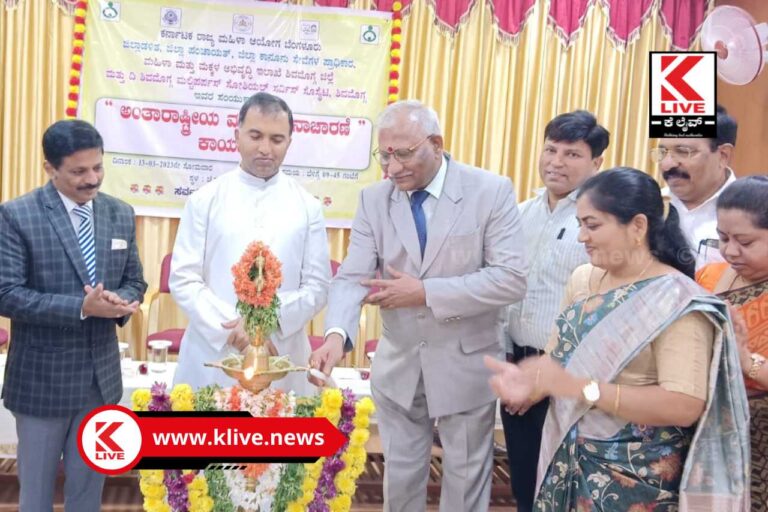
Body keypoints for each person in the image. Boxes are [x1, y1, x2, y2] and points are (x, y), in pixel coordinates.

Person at [486, 168, 749, 511]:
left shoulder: (678, 302)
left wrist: (581, 389)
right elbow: (558, 361)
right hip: (565, 457)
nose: (582, 237)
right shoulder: (583, 280)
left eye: (593, 225)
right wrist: (529, 383)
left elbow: (684, 405)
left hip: (633, 479)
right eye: (580, 224)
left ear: (638, 226)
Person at [309, 99, 528, 511]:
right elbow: (352, 276)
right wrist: (337, 335)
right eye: (385, 156)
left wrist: (426, 292)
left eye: (404, 154)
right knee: (401, 483)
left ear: (437, 143)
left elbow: (510, 278)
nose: (392, 168)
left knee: (465, 486)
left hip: (466, 364)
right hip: (400, 365)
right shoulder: (374, 199)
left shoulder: (490, 191)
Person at [0, 119, 147, 511]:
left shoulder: (119, 213)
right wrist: (80, 308)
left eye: (98, 167)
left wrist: (123, 300)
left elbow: (135, 280)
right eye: (79, 171)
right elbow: (7, 294)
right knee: (36, 498)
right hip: (41, 384)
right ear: (50, 168)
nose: (92, 179)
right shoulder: (18, 215)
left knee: (87, 497)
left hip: (100, 384)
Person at [170, 92, 330, 395]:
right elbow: (183, 278)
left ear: (289, 142)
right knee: (211, 438)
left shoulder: (308, 207)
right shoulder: (204, 200)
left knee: (278, 438)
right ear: (237, 135)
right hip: (214, 347)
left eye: (276, 139)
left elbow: (318, 285)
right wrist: (236, 330)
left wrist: (265, 325)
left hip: (280, 349)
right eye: (255, 136)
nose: (265, 149)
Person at [503, 110, 609, 512]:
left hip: (572, 376)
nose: (556, 162)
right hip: (518, 367)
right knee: (527, 487)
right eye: (551, 149)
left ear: (596, 163)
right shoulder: (519, 212)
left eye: (572, 154)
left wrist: (547, 377)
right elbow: (503, 291)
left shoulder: (601, 221)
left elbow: (596, 308)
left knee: (568, 490)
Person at [696, 176, 768, 511]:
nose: (730, 250)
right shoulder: (708, 277)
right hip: (710, 432)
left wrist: (745, 360)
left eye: (746, 241)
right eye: (723, 238)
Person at [652, 104, 738, 269]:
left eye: (684, 151)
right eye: (662, 153)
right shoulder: (650, 205)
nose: (667, 164)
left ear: (723, 155)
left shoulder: (756, 212)